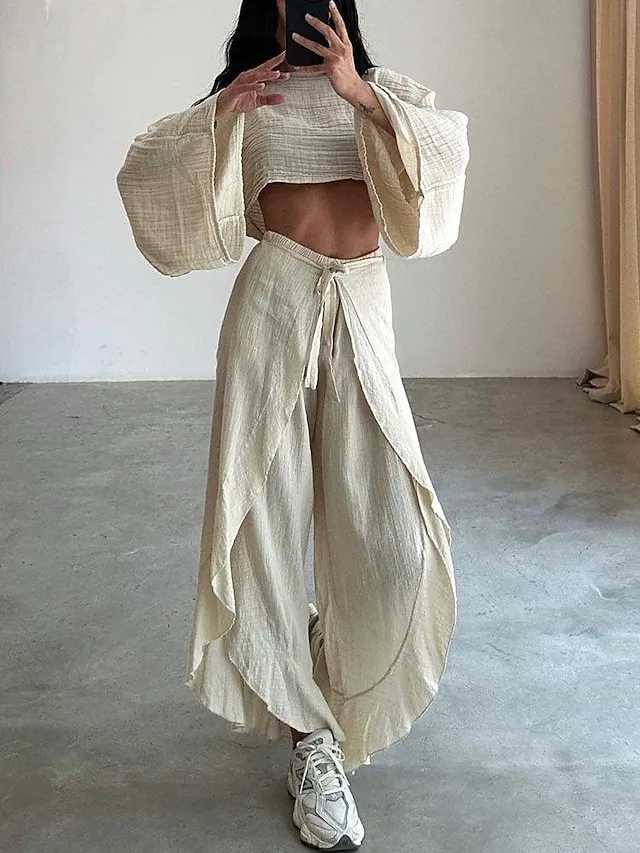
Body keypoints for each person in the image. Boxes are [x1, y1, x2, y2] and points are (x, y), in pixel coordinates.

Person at [116, 0, 470, 848]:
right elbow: (146, 171)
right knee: (263, 519)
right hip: (273, 299)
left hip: (363, 303)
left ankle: (322, 638)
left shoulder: (384, 92)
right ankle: (312, 741)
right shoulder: (250, 95)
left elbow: (446, 158)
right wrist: (218, 115)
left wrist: (361, 93)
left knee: (394, 534)